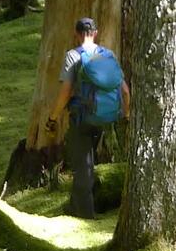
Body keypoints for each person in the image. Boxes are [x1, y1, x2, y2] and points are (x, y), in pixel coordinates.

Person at [46, 17, 130, 218]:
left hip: (81, 118)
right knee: (84, 161)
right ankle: (74, 206)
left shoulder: (73, 56)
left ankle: (85, 214)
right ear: (96, 33)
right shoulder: (108, 55)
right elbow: (125, 90)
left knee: (83, 166)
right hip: (104, 117)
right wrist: (126, 114)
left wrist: (53, 117)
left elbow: (66, 92)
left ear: (76, 34)